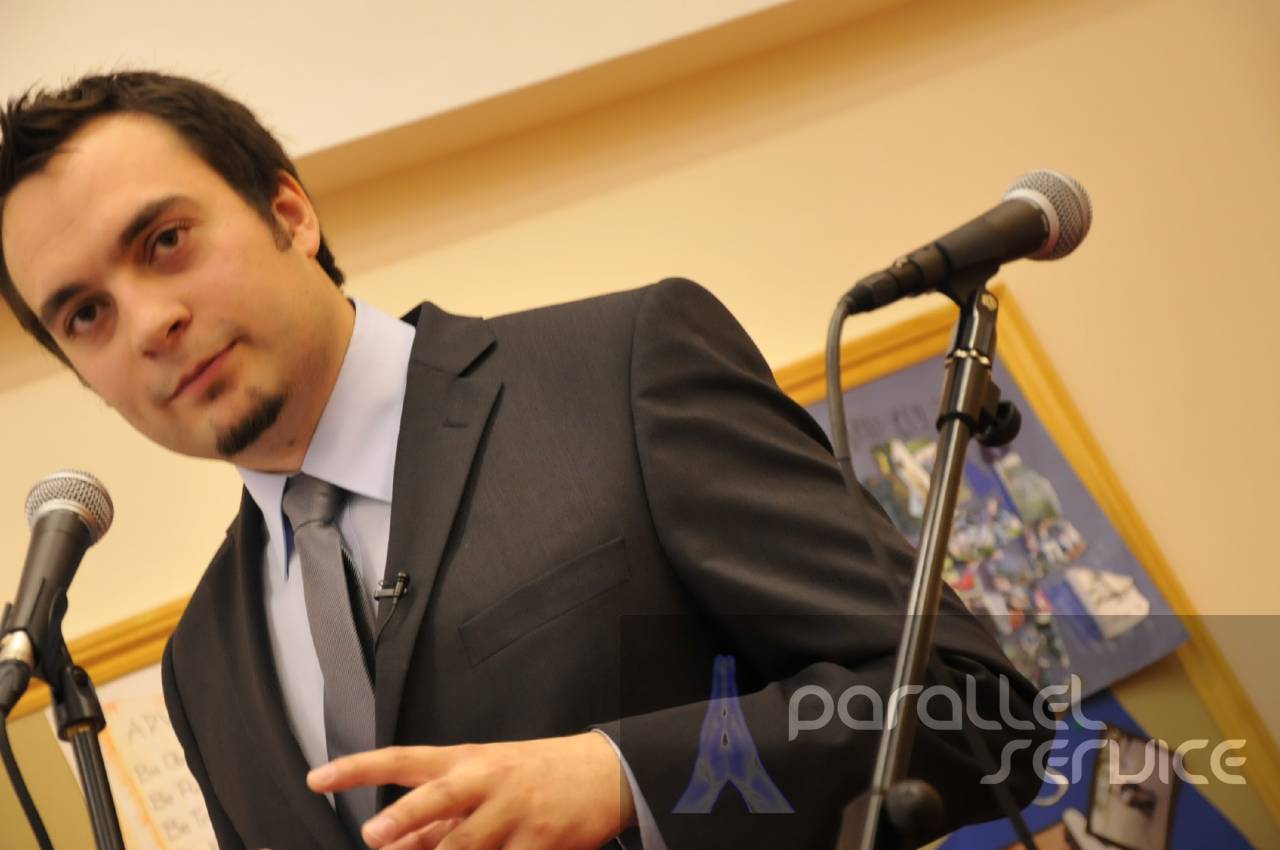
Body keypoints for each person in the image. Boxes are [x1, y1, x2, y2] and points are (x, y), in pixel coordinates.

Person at [0, 72, 1051, 850]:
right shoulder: (202, 665)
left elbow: (974, 709)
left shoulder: (619, 370)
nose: (149, 322)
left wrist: (622, 775)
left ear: (289, 212)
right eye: (85, 314)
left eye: (166, 241)